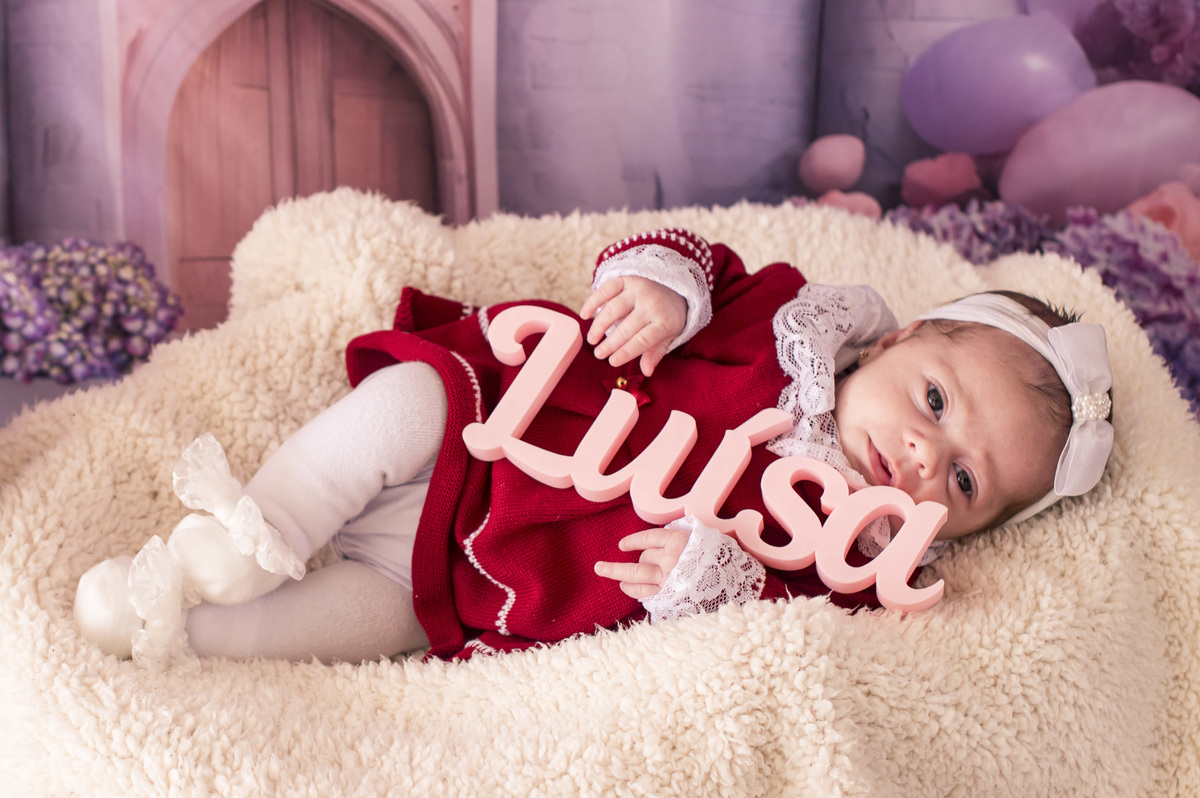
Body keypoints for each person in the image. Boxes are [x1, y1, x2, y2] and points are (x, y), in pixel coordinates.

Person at [73, 227, 1114, 664]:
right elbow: (695, 257)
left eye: (968, 480)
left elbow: (771, 640)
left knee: (367, 626)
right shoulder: (784, 319)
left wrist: (712, 578)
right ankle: (259, 528)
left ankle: (165, 621)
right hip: (489, 434)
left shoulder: (845, 561)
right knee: (401, 406)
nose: (928, 458)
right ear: (892, 340)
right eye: (934, 399)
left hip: (475, 579)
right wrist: (666, 291)